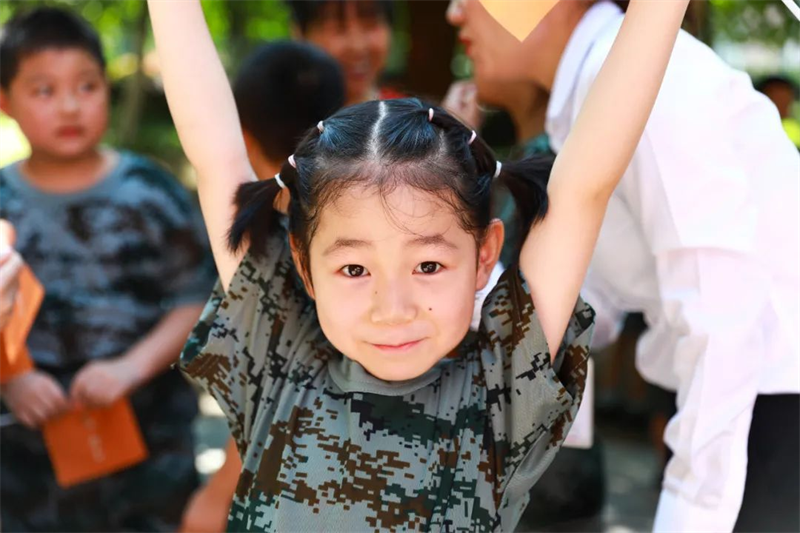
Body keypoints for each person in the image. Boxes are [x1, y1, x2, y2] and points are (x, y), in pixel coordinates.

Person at [149, 0, 688, 531]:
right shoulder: (279, 360)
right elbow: (217, 155)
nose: (393, 308)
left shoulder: (500, 391)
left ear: (483, 256)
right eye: (355, 270)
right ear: (305, 266)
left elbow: (583, 187)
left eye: (428, 265)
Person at [447, 0, 800, 531]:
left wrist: (692, 512)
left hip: (765, 405)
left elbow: (721, 311)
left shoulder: (646, 72)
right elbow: (589, 300)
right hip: (739, 411)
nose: (455, 13)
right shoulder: (597, 85)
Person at [0, 7, 215, 532]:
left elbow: (198, 297)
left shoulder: (152, 193)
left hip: (150, 456)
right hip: (25, 470)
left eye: (87, 86)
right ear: (5, 102)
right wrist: (12, 380)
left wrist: (132, 367)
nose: (70, 106)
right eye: (44, 90)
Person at [179, 40, 345, 533]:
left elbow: (270, 401)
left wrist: (217, 495)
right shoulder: (379, 245)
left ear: (246, 136)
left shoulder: (265, 258)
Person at [285, 0, 399, 106]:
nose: (357, 47)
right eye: (336, 26)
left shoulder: (406, 116)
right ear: (299, 34)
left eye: (370, 23)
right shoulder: (280, 117)